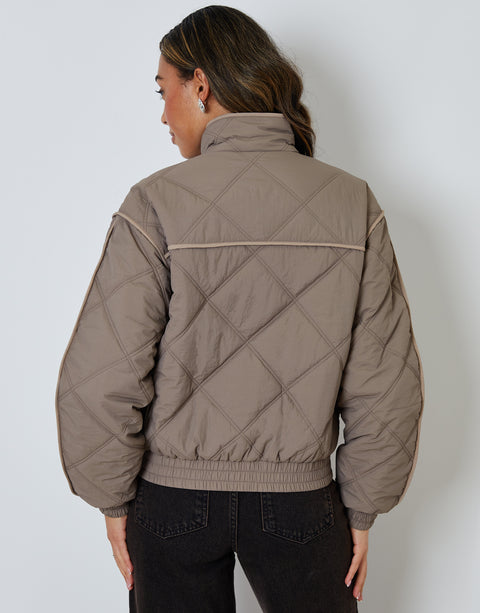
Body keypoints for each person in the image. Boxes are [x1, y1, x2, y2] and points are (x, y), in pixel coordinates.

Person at [55, 5, 424, 612]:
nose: (163, 114)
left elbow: (102, 374)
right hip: (302, 503)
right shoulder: (352, 203)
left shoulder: (155, 203)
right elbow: (386, 383)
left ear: (200, 85)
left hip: (170, 502)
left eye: (163, 90)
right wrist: (362, 508)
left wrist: (112, 499)